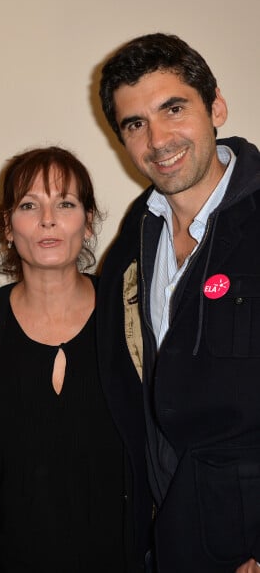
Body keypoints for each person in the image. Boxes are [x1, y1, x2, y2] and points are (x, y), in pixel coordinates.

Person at [97, 32, 260, 573]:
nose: (158, 138)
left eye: (173, 108)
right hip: (165, 533)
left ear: (215, 105)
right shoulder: (134, 238)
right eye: (135, 124)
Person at [0, 146, 149, 572]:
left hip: (117, 557)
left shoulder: (129, 314)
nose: (48, 220)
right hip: (5, 559)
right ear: (7, 226)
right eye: (29, 205)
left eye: (65, 203)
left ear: (88, 221)